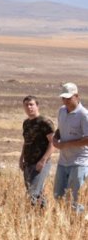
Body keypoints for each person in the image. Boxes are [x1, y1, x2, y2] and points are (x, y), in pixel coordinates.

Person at [52, 82, 88, 213]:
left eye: (69, 98)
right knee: (58, 196)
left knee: (75, 200)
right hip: (63, 161)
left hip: (79, 162)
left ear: (77, 96)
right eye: (63, 98)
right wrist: (55, 138)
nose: (65, 101)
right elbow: (60, 129)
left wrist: (66, 144)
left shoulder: (84, 115)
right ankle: (63, 225)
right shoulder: (61, 111)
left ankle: (77, 227)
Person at [19, 95, 55, 207]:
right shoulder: (26, 123)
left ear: (37, 106)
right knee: (37, 193)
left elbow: (53, 143)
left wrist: (43, 161)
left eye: (31, 104)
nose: (29, 107)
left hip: (40, 163)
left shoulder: (45, 122)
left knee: (32, 193)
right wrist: (21, 158)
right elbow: (26, 142)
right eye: (26, 105)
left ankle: (31, 217)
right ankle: (43, 216)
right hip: (28, 163)